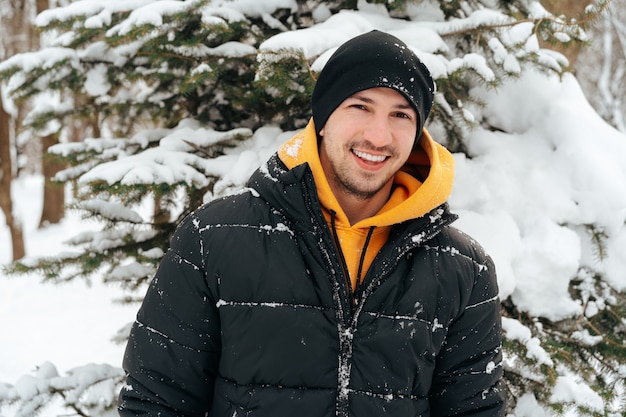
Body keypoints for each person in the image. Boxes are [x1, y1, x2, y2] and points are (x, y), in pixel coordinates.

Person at [118, 30, 505, 417]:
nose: (378, 135)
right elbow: (156, 401)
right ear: (322, 118)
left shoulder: (463, 269)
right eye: (360, 106)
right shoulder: (213, 239)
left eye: (401, 114)